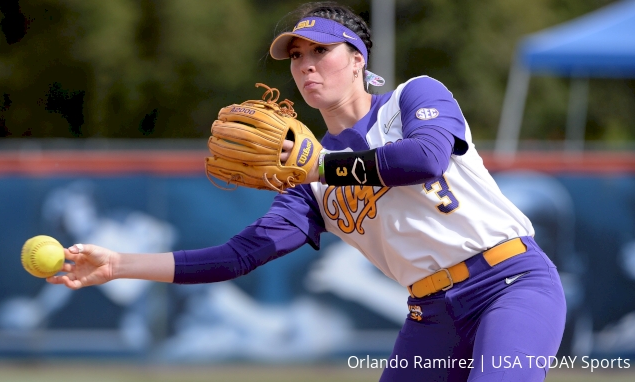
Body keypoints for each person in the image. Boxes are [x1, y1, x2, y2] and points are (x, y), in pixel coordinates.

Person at [48, 2, 566, 380]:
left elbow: (424, 158)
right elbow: (239, 256)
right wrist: (121, 264)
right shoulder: (306, 179)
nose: (306, 64)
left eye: (322, 50)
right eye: (296, 56)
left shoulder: (413, 97)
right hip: (432, 314)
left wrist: (321, 164)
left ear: (359, 59)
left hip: (510, 282)